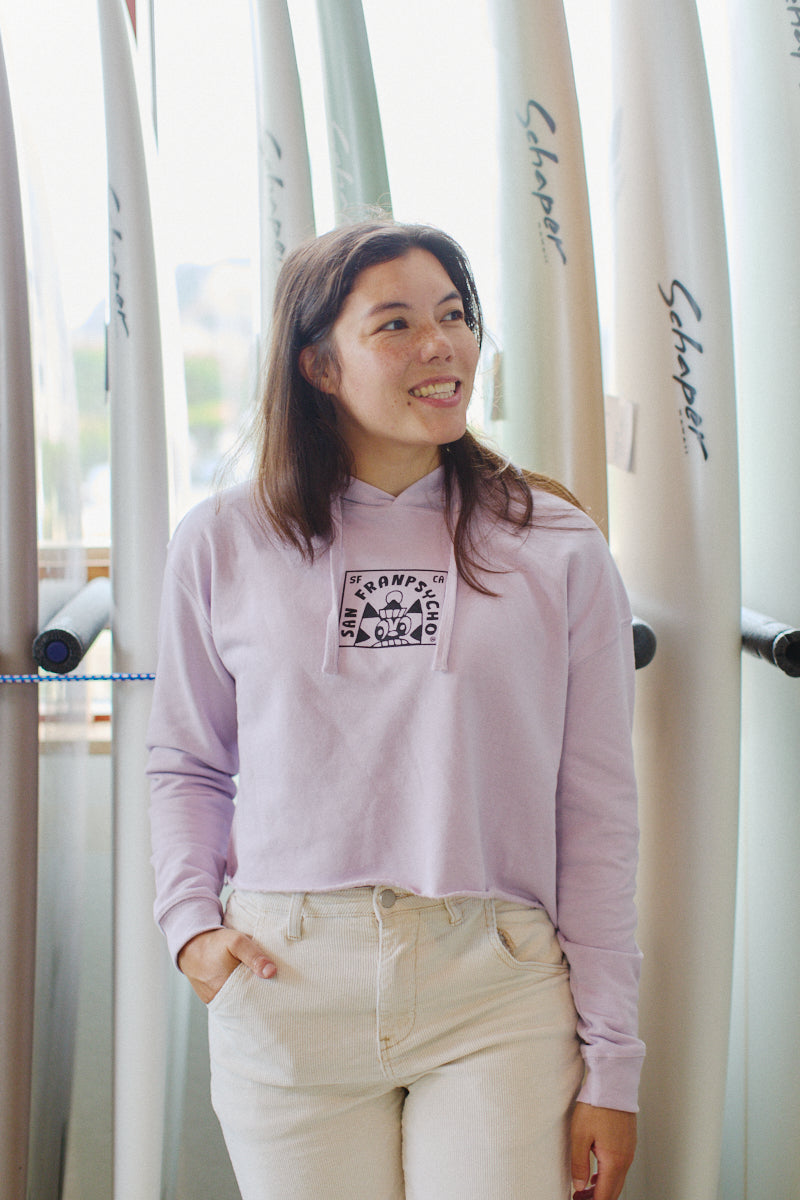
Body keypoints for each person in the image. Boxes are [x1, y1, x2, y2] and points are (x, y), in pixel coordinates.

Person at [146, 219, 643, 1200]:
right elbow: (187, 763)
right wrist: (188, 927)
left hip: (494, 986)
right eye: (396, 324)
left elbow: (594, 811)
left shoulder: (557, 546)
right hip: (286, 980)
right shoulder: (222, 542)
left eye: (454, 317)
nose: (440, 346)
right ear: (318, 366)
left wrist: (612, 1060)